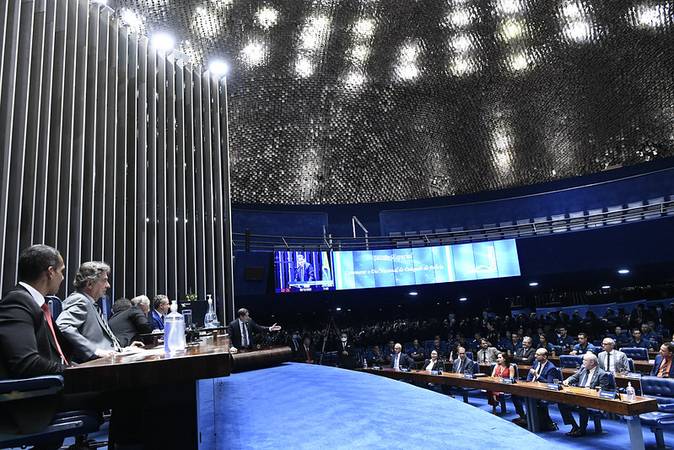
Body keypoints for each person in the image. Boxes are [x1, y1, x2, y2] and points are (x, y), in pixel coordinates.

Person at [0, 245, 70, 378]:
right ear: (50, 272)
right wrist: (73, 371)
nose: (62, 277)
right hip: (42, 388)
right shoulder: (16, 302)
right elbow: (27, 363)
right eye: (61, 271)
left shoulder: (36, 304)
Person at [56, 262, 141, 362]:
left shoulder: (91, 303)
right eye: (104, 280)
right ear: (89, 284)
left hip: (110, 358)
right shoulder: (80, 300)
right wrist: (94, 351)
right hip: (96, 365)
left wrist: (122, 350)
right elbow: (63, 326)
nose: (108, 285)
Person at [559, 353, 615, 436]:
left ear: (592, 362)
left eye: (585, 360)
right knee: (562, 403)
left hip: (592, 399)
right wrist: (567, 380)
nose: (582, 362)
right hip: (579, 396)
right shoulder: (583, 369)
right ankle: (574, 426)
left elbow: (603, 391)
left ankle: (582, 430)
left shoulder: (602, 374)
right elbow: (574, 377)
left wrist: (590, 392)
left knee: (582, 406)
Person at [512, 348, 558, 431]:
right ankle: (523, 416)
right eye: (535, 354)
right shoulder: (536, 363)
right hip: (532, 388)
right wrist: (529, 384)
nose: (535, 356)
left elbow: (550, 384)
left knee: (535, 399)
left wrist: (537, 376)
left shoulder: (551, 368)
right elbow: (530, 375)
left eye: (538, 354)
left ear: (544, 357)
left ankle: (536, 421)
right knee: (515, 395)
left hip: (543, 391)